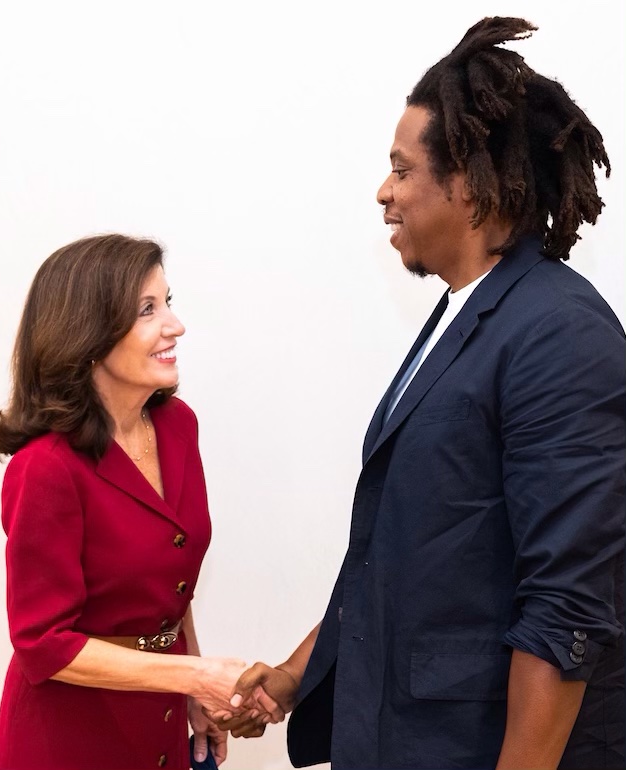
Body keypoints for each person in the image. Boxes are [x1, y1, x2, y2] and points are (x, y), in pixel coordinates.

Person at [216, 17, 625, 769]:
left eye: (402, 170)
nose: (384, 192)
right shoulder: (461, 313)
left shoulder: (559, 333)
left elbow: (566, 607)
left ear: (466, 181)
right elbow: (388, 559)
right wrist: (295, 676)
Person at [0, 234, 252, 770]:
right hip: (69, 739)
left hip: (160, 722)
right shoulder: (45, 469)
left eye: (168, 303)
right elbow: (43, 643)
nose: (174, 326)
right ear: (87, 334)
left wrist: (192, 685)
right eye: (147, 310)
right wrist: (192, 676)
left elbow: (168, 581)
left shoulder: (179, 426)